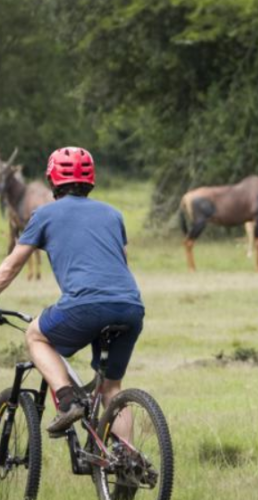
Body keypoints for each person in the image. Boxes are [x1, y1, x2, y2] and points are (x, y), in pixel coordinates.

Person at [0, 147, 144, 436]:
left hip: (85, 306)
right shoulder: (113, 214)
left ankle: (66, 401)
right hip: (130, 306)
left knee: (36, 334)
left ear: (52, 180)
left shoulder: (44, 214)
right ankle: (126, 461)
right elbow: (121, 261)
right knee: (111, 389)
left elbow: (10, 268)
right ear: (91, 180)